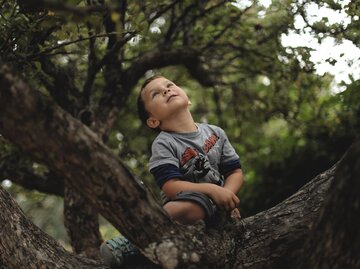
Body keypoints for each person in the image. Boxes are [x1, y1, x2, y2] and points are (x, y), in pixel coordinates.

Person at [100, 75, 244, 267]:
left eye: (169, 85)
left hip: (215, 209)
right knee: (194, 205)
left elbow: (235, 171)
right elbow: (170, 186)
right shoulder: (164, 143)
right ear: (152, 121)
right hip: (181, 210)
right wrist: (212, 190)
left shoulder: (215, 132)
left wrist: (227, 196)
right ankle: (134, 242)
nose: (166, 90)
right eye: (156, 94)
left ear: (188, 98)